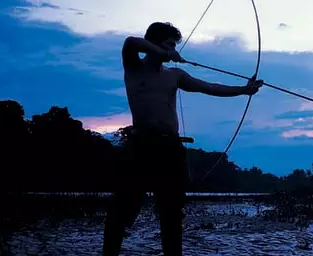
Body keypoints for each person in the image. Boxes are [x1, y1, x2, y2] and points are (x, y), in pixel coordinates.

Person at [103, 22, 263, 256]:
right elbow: (131, 42)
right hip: (140, 146)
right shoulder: (134, 68)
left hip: (170, 148)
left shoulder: (174, 75)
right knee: (122, 211)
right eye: (169, 43)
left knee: (172, 214)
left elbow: (209, 87)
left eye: (173, 45)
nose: (172, 49)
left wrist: (243, 90)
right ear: (154, 42)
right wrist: (165, 52)